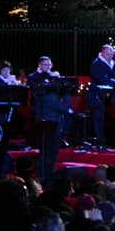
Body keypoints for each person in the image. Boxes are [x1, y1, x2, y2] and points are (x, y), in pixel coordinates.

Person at [28, 55, 70, 183]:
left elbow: (66, 93)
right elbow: (34, 89)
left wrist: (63, 107)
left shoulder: (56, 79)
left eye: (49, 65)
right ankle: (41, 178)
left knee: (53, 150)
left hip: (57, 119)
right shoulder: (35, 77)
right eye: (45, 65)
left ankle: (49, 177)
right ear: (40, 66)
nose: (47, 67)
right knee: (43, 151)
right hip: (43, 119)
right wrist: (48, 78)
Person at [89, 43, 115, 148]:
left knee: (109, 118)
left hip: (110, 95)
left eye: (112, 54)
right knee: (99, 117)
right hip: (98, 95)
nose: (111, 56)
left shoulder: (113, 62)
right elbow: (101, 78)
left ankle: (113, 140)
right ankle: (101, 142)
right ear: (103, 53)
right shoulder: (97, 63)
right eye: (109, 54)